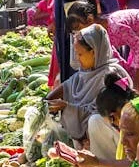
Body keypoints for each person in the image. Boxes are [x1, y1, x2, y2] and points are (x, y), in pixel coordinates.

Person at [45, 24, 131, 156]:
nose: (78, 59)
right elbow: (63, 88)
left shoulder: (112, 75)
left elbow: (109, 114)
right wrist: (45, 103)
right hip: (88, 140)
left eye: (80, 54)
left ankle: (106, 166)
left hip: (119, 139)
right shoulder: (84, 74)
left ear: (94, 52)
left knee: (95, 120)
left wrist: (68, 107)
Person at [67, 0, 139, 94]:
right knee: (133, 75)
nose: (79, 33)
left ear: (90, 20)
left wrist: (136, 86)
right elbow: (114, 61)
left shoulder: (116, 28)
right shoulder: (100, 35)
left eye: (78, 28)